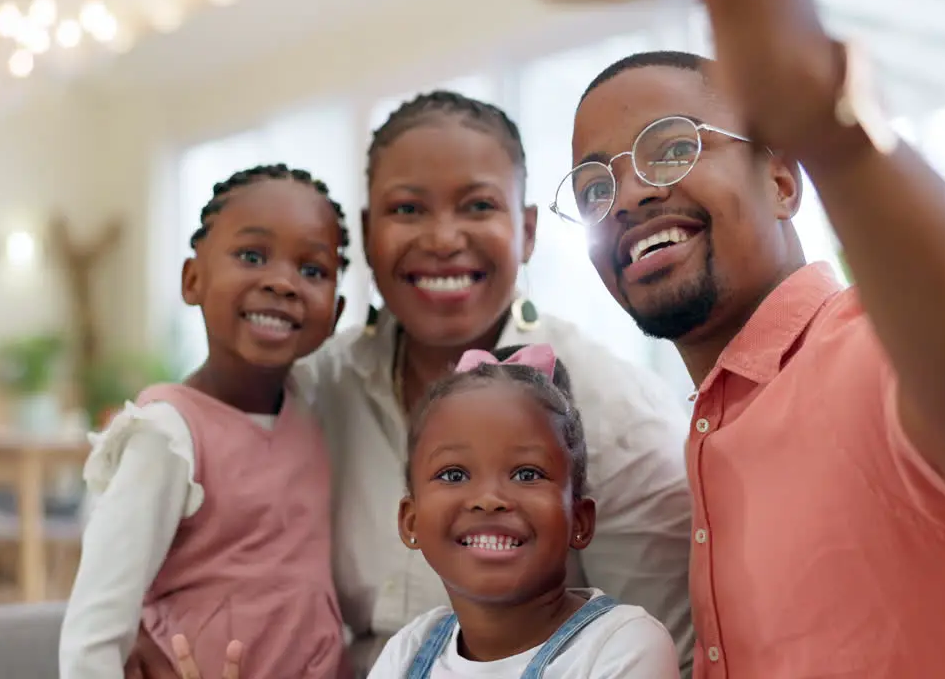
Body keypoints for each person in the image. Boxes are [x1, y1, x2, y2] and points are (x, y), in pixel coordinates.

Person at [549, 0, 945, 677]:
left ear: (781, 179)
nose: (630, 196)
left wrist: (829, 122)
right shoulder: (712, 429)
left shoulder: (876, 352)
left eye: (673, 148)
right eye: (593, 186)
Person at [295, 90, 694, 675]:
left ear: (527, 230)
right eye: (407, 210)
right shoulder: (316, 388)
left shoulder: (614, 410)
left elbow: (671, 657)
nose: (441, 239)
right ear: (366, 233)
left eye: (478, 206)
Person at [59, 164, 353, 679]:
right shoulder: (167, 434)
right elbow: (94, 631)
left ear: (336, 311)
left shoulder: (316, 408)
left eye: (312, 270)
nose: (283, 282)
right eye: (252, 256)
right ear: (192, 280)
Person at [369, 343, 680, 678]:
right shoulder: (408, 650)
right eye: (454, 475)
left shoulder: (621, 645)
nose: (488, 499)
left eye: (527, 474)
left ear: (580, 520)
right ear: (410, 521)